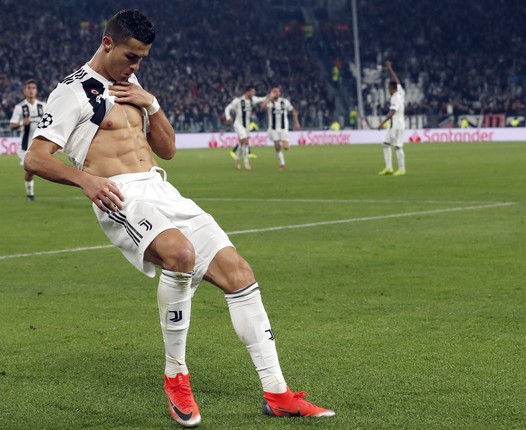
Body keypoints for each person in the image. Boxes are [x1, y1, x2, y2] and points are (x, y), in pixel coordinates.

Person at [24, 9, 334, 428]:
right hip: (120, 194)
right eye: (131, 56)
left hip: (160, 188)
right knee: (180, 255)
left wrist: (153, 103)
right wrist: (86, 182)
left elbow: (167, 150)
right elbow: (35, 157)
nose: (136, 66)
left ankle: (278, 393)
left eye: (142, 59)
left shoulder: (131, 84)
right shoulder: (72, 92)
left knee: (240, 273)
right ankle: (176, 377)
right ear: (107, 43)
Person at [9, 79, 46, 201]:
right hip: (25, 147)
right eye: (29, 88)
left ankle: (30, 194)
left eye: (33, 88)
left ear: (36, 91)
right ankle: (30, 194)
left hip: (39, 146)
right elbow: (12, 125)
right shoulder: (20, 107)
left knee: (33, 170)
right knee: (30, 170)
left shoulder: (43, 106)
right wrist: (21, 123)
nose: (31, 90)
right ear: (25, 91)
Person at [224, 85, 266, 170]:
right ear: (247, 92)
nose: (254, 93)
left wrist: (270, 95)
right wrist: (228, 117)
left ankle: (237, 158)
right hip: (238, 124)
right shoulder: (238, 101)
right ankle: (246, 162)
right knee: (245, 141)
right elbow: (227, 108)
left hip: (246, 125)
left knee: (242, 142)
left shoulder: (252, 100)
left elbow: (261, 99)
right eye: (252, 92)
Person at [261, 86, 300, 171]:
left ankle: (283, 143)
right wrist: (269, 98)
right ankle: (282, 164)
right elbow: (262, 107)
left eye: (278, 92)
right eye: (274, 92)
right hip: (273, 129)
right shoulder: (270, 103)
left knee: (285, 147)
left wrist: (296, 123)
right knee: (277, 146)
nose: (276, 93)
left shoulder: (284, 102)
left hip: (283, 128)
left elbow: (293, 111)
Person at [377, 61, 406, 176]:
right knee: (385, 144)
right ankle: (389, 168)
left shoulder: (395, 98)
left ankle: (402, 169)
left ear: (392, 89)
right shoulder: (400, 91)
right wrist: (390, 68)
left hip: (397, 124)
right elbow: (397, 80)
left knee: (398, 146)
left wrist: (382, 123)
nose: (388, 90)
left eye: (389, 88)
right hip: (393, 124)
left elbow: (392, 112)